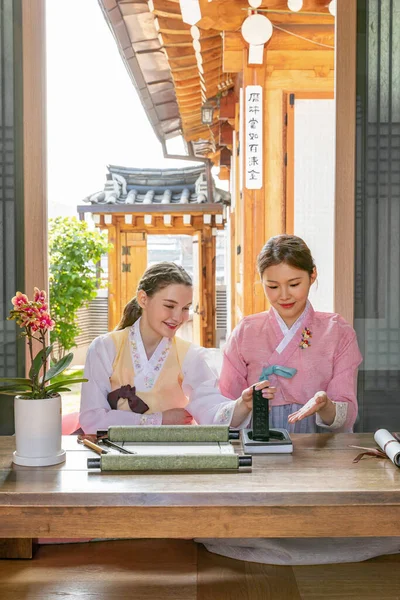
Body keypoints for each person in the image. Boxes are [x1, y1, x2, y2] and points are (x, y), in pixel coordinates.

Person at [199, 234, 400, 564]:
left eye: (294, 283)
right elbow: (222, 406)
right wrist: (245, 404)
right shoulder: (246, 331)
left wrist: (324, 404)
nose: (284, 295)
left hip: (320, 447)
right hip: (258, 444)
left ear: (312, 276)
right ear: (261, 283)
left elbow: (346, 413)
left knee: (330, 529)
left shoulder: (338, 331)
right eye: (272, 286)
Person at [79, 261, 271, 433]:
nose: (178, 318)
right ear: (143, 299)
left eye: (186, 308)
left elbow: (209, 408)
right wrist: (159, 420)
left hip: (173, 453)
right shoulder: (105, 348)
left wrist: (242, 405)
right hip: (116, 456)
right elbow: (91, 419)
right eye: (170, 306)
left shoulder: (190, 355)